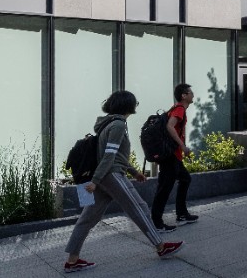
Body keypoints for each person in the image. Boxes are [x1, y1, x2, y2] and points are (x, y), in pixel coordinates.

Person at [64, 91, 183, 271]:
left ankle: (72, 261)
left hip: (104, 175)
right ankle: (161, 247)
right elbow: (109, 156)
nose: (136, 105)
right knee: (139, 207)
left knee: (87, 218)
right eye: (135, 102)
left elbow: (116, 154)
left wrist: (134, 172)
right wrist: (96, 181)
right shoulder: (118, 124)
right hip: (110, 175)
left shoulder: (107, 124)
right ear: (128, 105)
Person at [151, 83, 199, 230]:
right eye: (190, 92)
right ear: (184, 96)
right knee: (165, 187)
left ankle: (182, 213)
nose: (192, 94)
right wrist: (183, 146)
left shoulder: (177, 108)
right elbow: (170, 126)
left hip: (173, 156)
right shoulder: (179, 109)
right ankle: (157, 222)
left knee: (185, 179)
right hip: (171, 155)